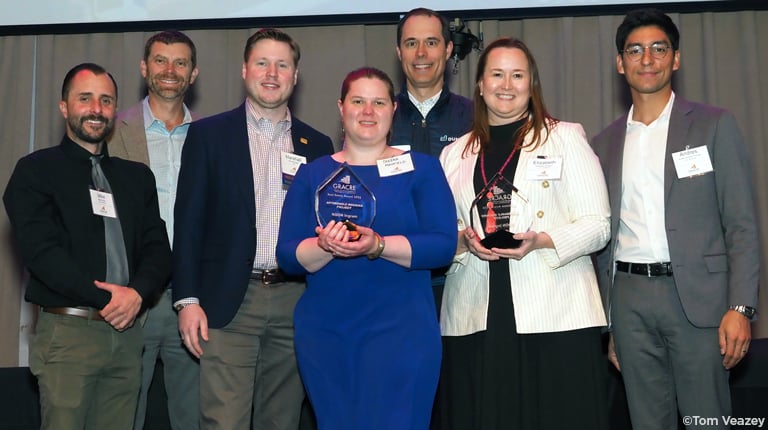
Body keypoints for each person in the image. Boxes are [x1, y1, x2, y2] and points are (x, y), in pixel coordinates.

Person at [591, 8, 759, 430]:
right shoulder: (604, 143)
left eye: (658, 49)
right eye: (635, 50)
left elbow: (741, 224)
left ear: (676, 58)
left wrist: (741, 306)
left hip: (699, 303)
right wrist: (611, 322)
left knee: (708, 421)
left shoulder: (714, 125)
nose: (646, 59)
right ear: (620, 63)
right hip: (629, 302)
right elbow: (603, 238)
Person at [435, 37, 611, 430]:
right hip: (475, 309)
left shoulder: (564, 137)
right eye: (496, 74)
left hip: (554, 308)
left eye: (518, 75)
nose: (507, 84)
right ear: (479, 85)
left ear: (532, 84)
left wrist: (542, 241)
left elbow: (598, 225)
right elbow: (443, 230)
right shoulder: (455, 153)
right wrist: (464, 242)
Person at [276, 66, 457, 430]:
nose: (368, 111)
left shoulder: (422, 169)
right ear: (341, 107)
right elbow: (288, 256)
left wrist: (378, 245)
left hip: (401, 332)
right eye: (358, 101)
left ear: (394, 109)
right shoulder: (312, 174)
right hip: (326, 334)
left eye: (378, 102)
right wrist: (325, 245)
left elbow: (442, 246)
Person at [172, 28, 334, 429]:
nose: (272, 73)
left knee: (281, 422)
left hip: (295, 303)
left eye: (283, 64)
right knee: (223, 421)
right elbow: (188, 222)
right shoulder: (208, 135)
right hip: (228, 301)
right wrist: (187, 299)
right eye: (262, 62)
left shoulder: (317, 146)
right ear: (245, 70)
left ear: (296, 76)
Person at [3, 63, 171, 430]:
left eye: (106, 100)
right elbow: (42, 253)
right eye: (85, 98)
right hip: (68, 335)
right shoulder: (34, 172)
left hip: (127, 336)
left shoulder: (137, 177)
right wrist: (107, 300)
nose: (96, 108)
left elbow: (158, 248)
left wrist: (137, 295)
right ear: (64, 107)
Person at [108, 30, 200, 430]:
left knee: (195, 415)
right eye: (160, 60)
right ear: (145, 68)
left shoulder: (212, 137)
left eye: (180, 62)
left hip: (195, 296)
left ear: (193, 74)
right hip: (133, 296)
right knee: (123, 413)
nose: (170, 70)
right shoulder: (110, 131)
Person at [392, 7, 473, 155]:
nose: (421, 53)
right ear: (399, 53)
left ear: (448, 50)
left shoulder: (473, 117)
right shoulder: (381, 117)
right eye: (411, 43)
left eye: (431, 43)